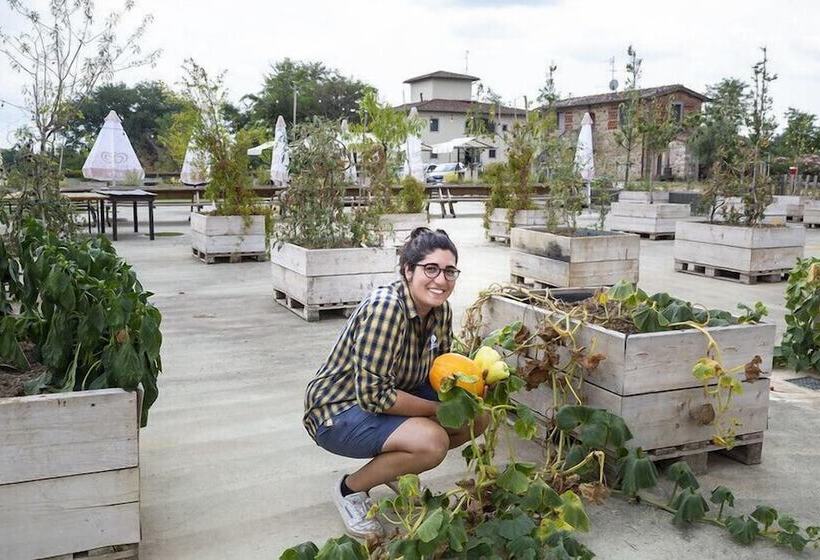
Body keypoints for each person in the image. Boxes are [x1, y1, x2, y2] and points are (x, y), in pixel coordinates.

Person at [303, 227, 489, 538]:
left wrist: (477, 382)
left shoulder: (439, 309)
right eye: (431, 269)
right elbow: (375, 396)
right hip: (339, 411)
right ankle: (350, 490)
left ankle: (393, 466)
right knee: (432, 442)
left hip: (393, 393)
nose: (441, 280)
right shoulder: (387, 307)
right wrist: (435, 409)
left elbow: (441, 370)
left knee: (477, 415)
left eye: (449, 271)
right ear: (408, 270)